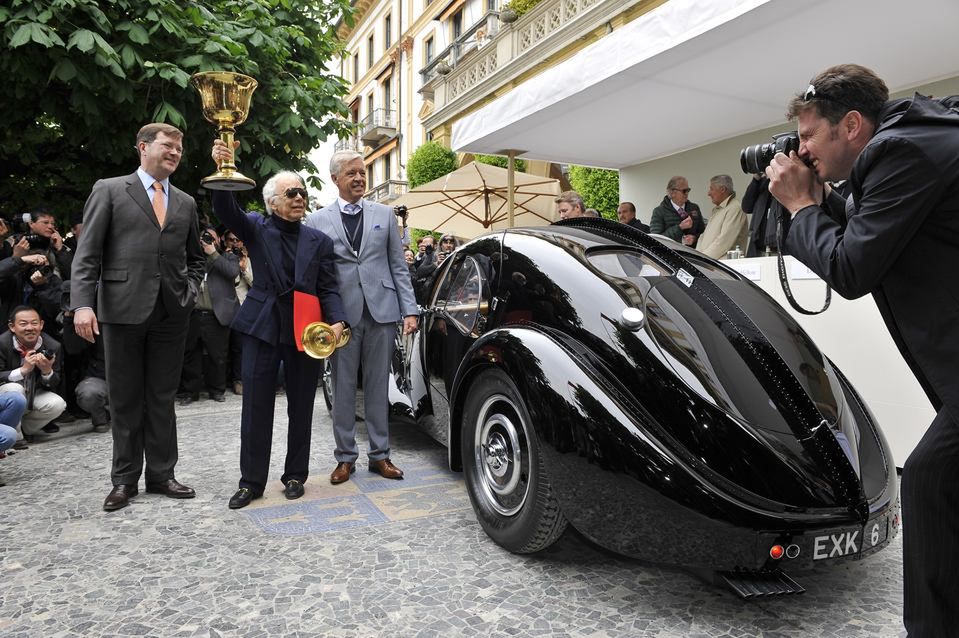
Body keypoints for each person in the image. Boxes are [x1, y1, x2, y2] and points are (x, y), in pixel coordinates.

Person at [765, 63, 959, 636]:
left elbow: (851, 267)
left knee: (929, 478)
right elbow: (868, 234)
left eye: (808, 136)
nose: (800, 149)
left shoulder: (903, 152)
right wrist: (822, 199)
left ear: (851, 125)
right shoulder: (917, 140)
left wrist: (801, 208)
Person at [71, 122, 205, 512]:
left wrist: (189, 289)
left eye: (179, 147)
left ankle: (162, 474)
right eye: (168, 145)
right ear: (143, 148)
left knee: (162, 397)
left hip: (171, 312)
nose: (175, 152)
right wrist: (82, 304)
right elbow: (88, 253)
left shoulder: (185, 202)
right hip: (122, 308)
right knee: (126, 398)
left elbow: (195, 259)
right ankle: (124, 480)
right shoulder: (110, 189)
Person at [211, 139, 347, 509]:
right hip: (262, 325)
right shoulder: (256, 227)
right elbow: (226, 208)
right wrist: (225, 167)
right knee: (256, 405)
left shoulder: (319, 240)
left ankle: (294, 476)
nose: (300, 198)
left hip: (306, 330)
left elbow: (329, 287)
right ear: (273, 202)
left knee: (302, 404)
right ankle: (251, 482)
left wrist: (337, 322)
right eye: (291, 193)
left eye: (302, 192)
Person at [305, 150, 417, 485]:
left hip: (382, 312)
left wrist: (409, 309)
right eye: (351, 173)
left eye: (362, 173)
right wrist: (322, 317)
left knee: (378, 386)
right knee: (342, 389)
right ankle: (345, 458)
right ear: (335, 179)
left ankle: (380, 456)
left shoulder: (384, 213)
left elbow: (398, 267)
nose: (359, 178)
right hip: (341, 318)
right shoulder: (318, 220)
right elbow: (316, 275)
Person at [179, 226, 240, 405]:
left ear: (219, 240)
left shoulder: (228, 257)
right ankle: (191, 392)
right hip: (193, 313)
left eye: (212, 238)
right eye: (204, 238)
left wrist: (213, 253)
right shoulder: (192, 259)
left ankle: (217, 390)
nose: (207, 241)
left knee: (218, 355)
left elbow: (232, 273)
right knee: (190, 355)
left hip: (216, 315)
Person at [0, 306, 65, 442]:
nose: (30, 328)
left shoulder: (52, 346)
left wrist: (47, 371)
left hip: (33, 392)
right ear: (12, 327)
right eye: (23, 324)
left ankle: (24, 429)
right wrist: (22, 370)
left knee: (58, 404)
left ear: (41, 325)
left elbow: (56, 383)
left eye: (34, 323)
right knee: (15, 389)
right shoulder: (2, 344)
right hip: (6, 394)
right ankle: (16, 438)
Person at [696, 175, 748, 259]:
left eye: (711, 189)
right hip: (709, 263)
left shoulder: (735, 208)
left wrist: (702, 259)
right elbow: (703, 236)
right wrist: (697, 256)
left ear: (722, 189)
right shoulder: (717, 210)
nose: (708, 193)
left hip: (723, 267)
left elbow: (724, 241)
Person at [649, 176, 705, 247]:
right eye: (684, 191)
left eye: (688, 190)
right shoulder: (659, 211)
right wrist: (679, 228)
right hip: (670, 255)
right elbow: (656, 239)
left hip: (692, 254)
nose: (687, 193)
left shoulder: (694, 208)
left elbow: (703, 233)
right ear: (672, 192)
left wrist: (694, 239)